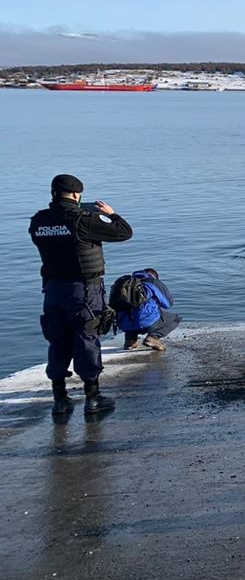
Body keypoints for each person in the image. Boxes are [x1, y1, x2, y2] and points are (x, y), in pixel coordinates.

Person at [28, 174, 134, 417]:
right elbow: (124, 232)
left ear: (53, 193)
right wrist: (110, 214)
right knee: (86, 337)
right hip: (83, 290)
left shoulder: (39, 221)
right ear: (77, 195)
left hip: (53, 289)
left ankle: (60, 399)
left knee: (58, 339)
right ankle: (93, 398)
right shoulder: (82, 220)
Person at [116, 268, 181, 351]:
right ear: (154, 276)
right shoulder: (152, 282)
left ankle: (130, 341)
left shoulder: (125, 284)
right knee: (176, 318)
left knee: (130, 313)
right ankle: (153, 337)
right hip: (145, 323)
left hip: (123, 324)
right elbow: (168, 304)